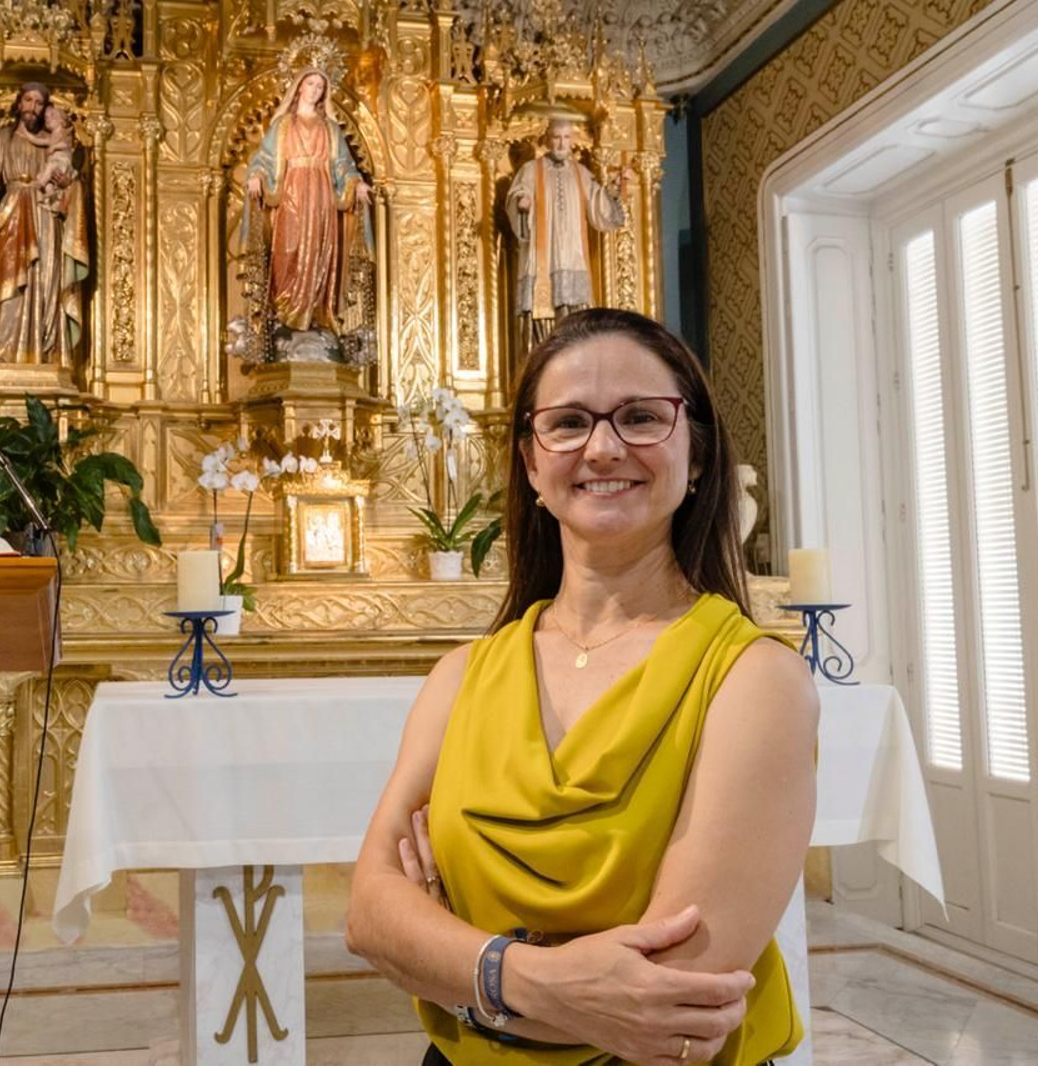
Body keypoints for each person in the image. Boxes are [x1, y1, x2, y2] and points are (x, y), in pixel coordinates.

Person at [346, 308, 818, 1066]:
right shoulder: (463, 676)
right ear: (532, 464)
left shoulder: (755, 681)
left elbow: (671, 1005)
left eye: (640, 417)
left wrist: (457, 971)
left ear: (695, 453)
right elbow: (371, 913)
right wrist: (531, 978)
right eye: (567, 423)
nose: (603, 447)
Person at [243, 68, 374, 337]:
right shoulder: (282, 126)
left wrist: (356, 183)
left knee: (318, 252)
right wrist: (256, 175)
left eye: (320, 87)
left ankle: (316, 312)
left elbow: (343, 166)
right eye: (310, 83)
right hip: (291, 194)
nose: (315, 90)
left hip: (322, 196)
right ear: (299, 87)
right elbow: (264, 159)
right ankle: (286, 312)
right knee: (289, 250)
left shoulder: (330, 128)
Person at [0, 82, 90, 365]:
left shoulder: (55, 143)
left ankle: (48, 353)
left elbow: (70, 183)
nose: (32, 108)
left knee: (48, 284)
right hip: (14, 215)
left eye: (38, 103)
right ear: (19, 104)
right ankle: (7, 352)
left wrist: (68, 186)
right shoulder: (3, 138)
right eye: (28, 100)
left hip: (47, 220)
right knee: (11, 287)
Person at [505, 119, 629, 340]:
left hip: (572, 256)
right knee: (542, 319)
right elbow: (517, 196)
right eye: (556, 137)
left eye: (566, 137)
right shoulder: (531, 170)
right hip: (543, 256)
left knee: (576, 322)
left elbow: (597, 205)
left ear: (572, 140)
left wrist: (612, 190)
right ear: (547, 140)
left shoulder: (580, 173)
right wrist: (522, 204)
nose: (562, 144)